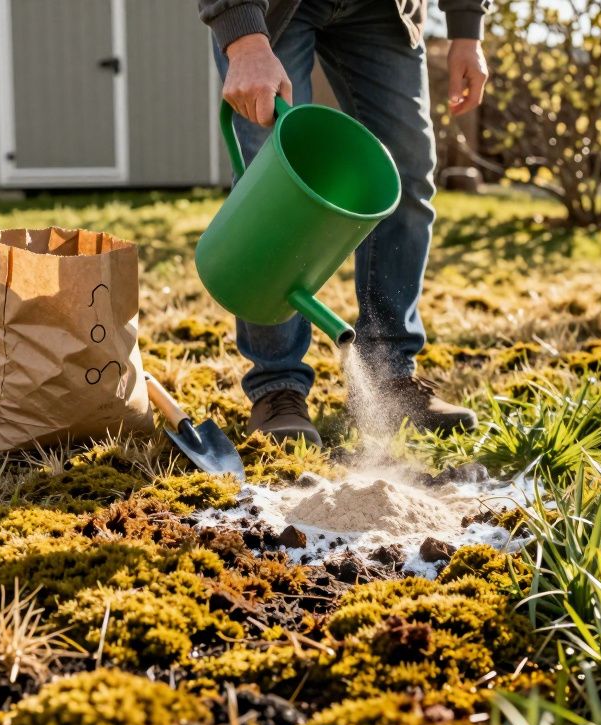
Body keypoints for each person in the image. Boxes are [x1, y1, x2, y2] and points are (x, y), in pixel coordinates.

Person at [198, 0, 491, 447]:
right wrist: (243, 37)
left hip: (384, 9)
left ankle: (387, 377)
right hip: (272, 8)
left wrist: (467, 28)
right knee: (272, 173)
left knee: (406, 174)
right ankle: (278, 386)